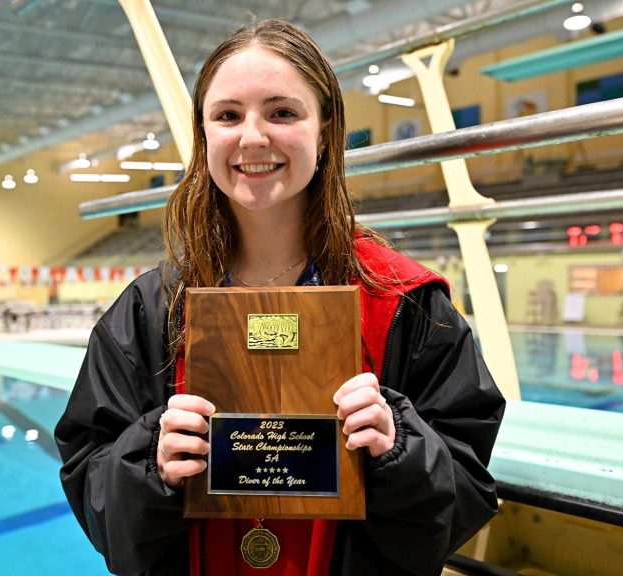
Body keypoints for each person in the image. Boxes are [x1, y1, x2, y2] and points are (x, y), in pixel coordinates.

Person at [55, 19, 505, 576]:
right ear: (204, 135)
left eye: (282, 112)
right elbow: (89, 483)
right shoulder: (150, 310)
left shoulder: (405, 303)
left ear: (326, 130)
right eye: (227, 115)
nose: (252, 137)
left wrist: (399, 451)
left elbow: (467, 490)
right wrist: (152, 464)